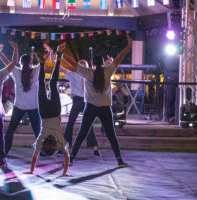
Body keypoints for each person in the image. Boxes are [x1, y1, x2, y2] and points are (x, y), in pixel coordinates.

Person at [62, 34, 133, 167]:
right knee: (111, 135)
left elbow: (71, 63)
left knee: (82, 133)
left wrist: (61, 54)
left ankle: (71, 159)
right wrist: (129, 46)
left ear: (93, 64)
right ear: (102, 63)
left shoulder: (88, 72)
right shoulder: (108, 71)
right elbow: (119, 57)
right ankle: (119, 161)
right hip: (105, 108)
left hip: (90, 107)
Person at [24, 43, 71, 176]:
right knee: (42, 85)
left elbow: (67, 157)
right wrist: (31, 170)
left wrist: (65, 173)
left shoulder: (60, 141)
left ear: (55, 146)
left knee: (53, 83)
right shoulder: (40, 140)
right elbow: (34, 158)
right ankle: (42, 63)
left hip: (55, 112)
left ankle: (59, 58)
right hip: (44, 113)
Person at [0, 45, 41, 155]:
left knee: (11, 129)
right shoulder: (35, 71)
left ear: (20, 63)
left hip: (19, 106)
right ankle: (42, 151)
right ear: (31, 63)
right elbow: (43, 62)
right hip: (33, 106)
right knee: (38, 130)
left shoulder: (16, 72)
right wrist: (51, 52)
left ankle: (5, 150)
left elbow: (8, 62)